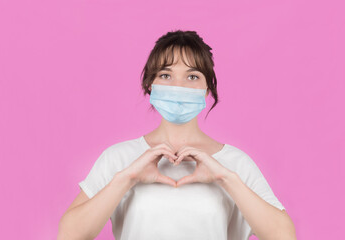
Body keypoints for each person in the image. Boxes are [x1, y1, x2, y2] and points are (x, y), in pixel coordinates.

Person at [58, 30, 296, 240]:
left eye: (192, 76)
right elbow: (69, 235)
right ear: (150, 84)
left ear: (207, 89)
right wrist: (127, 178)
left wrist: (225, 178)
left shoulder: (236, 163)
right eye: (165, 75)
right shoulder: (119, 157)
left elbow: (283, 236)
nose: (178, 86)